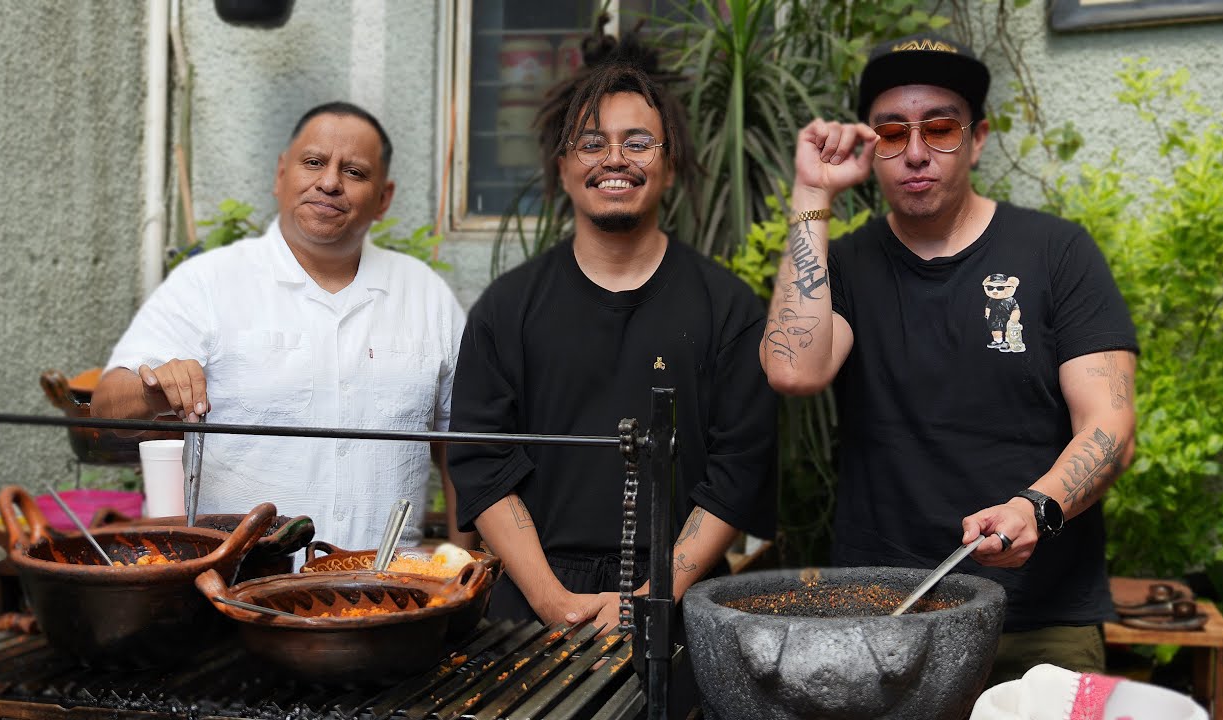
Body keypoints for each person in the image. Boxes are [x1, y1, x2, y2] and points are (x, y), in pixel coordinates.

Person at [761, 33, 1138, 685]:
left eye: (939, 129)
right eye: (891, 132)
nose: (914, 153)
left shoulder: (1057, 254)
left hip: (1039, 623)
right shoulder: (845, 265)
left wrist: (1036, 507)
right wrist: (810, 192)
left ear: (978, 138)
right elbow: (795, 369)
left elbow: (1111, 427)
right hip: (886, 618)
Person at [448, 38, 777, 633]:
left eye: (639, 143)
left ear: (670, 165)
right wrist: (553, 601)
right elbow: (481, 464)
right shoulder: (506, 308)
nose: (614, 159)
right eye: (592, 143)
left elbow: (740, 469)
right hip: (531, 604)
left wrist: (652, 598)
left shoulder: (728, 308)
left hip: (683, 602)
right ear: (563, 165)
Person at [92, 102, 468, 551]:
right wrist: (154, 389)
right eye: (313, 163)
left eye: (354, 172)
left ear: (383, 198)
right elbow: (106, 404)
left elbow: (460, 445)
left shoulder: (425, 294)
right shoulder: (207, 283)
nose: (329, 182)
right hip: (240, 588)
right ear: (280, 175)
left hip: (385, 590)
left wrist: (459, 560)